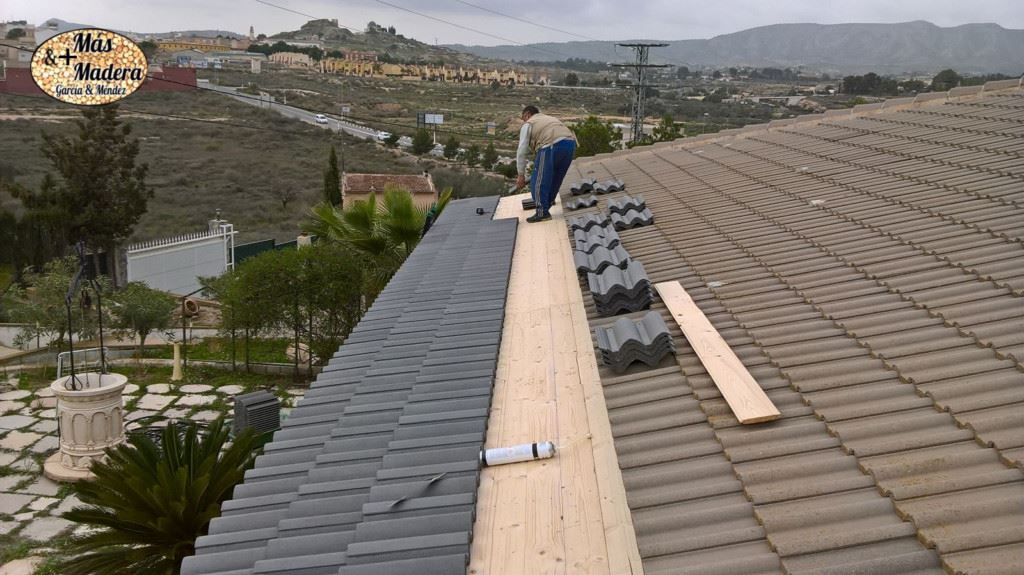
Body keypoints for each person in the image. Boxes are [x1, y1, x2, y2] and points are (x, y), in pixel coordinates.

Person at [515, 105, 577, 223]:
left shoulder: (529, 123)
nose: (524, 121)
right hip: (570, 144)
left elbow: (521, 150)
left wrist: (521, 174)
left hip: (551, 145)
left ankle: (542, 212)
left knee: (538, 181)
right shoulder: (548, 118)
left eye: (523, 118)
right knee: (555, 178)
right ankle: (548, 203)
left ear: (527, 114)